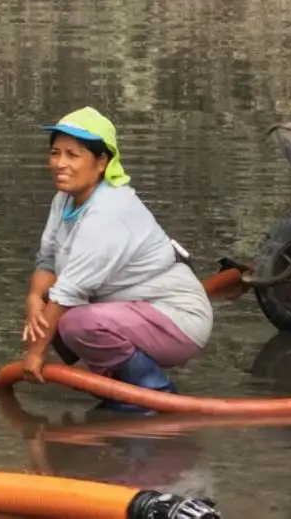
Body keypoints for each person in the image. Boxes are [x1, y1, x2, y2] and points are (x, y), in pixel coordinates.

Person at [21, 109, 212, 404]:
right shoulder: (64, 200)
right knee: (50, 304)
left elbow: (68, 292)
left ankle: (153, 393)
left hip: (178, 317)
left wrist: (34, 355)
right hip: (129, 310)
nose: (60, 164)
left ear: (101, 163)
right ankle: (117, 385)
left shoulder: (108, 211)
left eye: (73, 155)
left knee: (73, 321)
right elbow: (46, 259)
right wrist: (34, 298)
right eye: (55, 153)